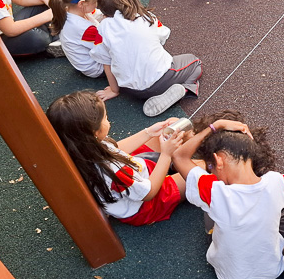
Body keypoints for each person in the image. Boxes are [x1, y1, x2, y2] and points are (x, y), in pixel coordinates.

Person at [172, 112, 284, 279]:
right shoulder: (278, 181)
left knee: (208, 210)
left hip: (232, 277)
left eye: (210, 167)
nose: (211, 173)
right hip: (272, 269)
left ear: (219, 160)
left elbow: (179, 157)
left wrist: (215, 126)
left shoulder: (214, 191)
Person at [46, 91, 186, 225]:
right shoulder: (114, 171)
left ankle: (174, 162)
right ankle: (177, 163)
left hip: (136, 175)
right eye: (105, 118)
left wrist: (148, 132)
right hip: (145, 205)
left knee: (173, 127)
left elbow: (116, 149)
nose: (108, 120)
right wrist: (166, 155)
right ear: (95, 132)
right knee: (194, 172)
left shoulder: (82, 146)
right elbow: (149, 193)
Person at [89, 0, 201, 117]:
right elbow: (164, 34)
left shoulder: (102, 28)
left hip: (130, 90)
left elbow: (105, 62)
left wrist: (114, 90)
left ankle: (170, 92)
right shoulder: (146, 17)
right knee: (195, 63)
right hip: (162, 80)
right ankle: (185, 89)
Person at [49, 0, 106, 77]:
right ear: (82, 3)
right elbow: (105, 47)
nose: (98, 2)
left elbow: (96, 14)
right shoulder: (85, 28)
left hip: (85, 50)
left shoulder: (71, 9)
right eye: (96, 0)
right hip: (96, 67)